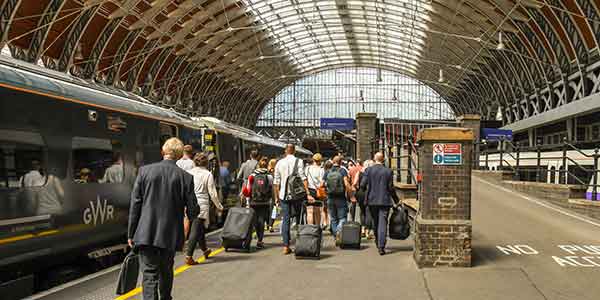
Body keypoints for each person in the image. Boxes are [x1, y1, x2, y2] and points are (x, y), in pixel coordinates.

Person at [128, 138, 199, 300]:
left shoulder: (144, 171)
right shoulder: (186, 178)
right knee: (166, 271)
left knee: (149, 275)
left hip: (145, 233)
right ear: (181, 155)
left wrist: (131, 233)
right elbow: (194, 211)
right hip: (170, 234)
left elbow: (135, 205)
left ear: (163, 151)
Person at [273, 144, 313, 255]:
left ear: (285, 151)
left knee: (286, 220)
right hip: (298, 195)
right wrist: (308, 193)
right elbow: (303, 177)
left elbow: (276, 182)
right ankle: (302, 244)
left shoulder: (279, 163)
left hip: (283, 195)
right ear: (294, 151)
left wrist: (276, 197)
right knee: (300, 218)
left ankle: (286, 246)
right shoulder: (299, 161)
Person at [185, 152, 224, 265]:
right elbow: (213, 193)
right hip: (201, 205)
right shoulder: (207, 174)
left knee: (199, 229)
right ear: (206, 163)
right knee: (195, 229)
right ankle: (189, 256)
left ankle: (205, 250)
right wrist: (219, 206)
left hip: (189, 203)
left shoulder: (188, 173)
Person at [360, 152, 399, 256]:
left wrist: (367, 191)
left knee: (376, 222)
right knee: (383, 223)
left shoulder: (369, 170)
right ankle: (381, 246)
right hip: (385, 201)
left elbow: (362, 185)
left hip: (372, 201)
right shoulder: (388, 171)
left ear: (374, 158)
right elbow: (391, 188)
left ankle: (378, 242)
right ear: (383, 159)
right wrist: (396, 200)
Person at [243, 156, 274, 249]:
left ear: (258, 165)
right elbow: (271, 189)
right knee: (262, 220)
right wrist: (273, 200)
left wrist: (248, 202)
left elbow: (248, 189)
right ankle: (260, 240)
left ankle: (253, 237)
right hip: (265, 202)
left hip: (253, 201)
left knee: (255, 220)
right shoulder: (269, 176)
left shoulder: (252, 176)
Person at [322, 155, 352, 237]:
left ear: (333, 162)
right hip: (341, 197)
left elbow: (322, 184)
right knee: (342, 218)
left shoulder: (328, 171)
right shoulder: (342, 171)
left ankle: (336, 235)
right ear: (340, 162)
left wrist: (326, 191)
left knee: (333, 218)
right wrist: (351, 195)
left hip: (330, 198)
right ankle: (339, 232)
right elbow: (346, 184)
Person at [353, 160, 373, 238]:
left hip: (360, 193)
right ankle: (368, 232)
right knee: (369, 211)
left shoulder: (359, 172)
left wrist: (357, 189)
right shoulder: (371, 173)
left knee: (362, 211)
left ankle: (363, 230)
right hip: (369, 193)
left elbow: (354, 183)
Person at [305, 153, 325, 225]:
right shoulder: (321, 170)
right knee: (317, 211)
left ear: (313, 160)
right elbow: (322, 183)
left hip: (309, 190)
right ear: (320, 160)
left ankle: (310, 229)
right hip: (317, 191)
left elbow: (305, 180)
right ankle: (317, 228)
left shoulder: (307, 168)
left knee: (309, 211)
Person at [267, 158, 278, 232]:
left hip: (266, 193)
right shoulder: (276, 173)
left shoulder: (266, 173)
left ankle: (267, 224)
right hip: (274, 193)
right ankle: (271, 224)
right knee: (274, 209)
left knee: (267, 209)